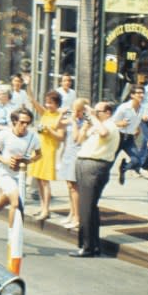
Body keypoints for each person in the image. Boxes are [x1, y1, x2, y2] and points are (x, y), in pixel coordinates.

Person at [71, 102, 121, 257]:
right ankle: (93, 244)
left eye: (98, 111)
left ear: (108, 112)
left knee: (86, 207)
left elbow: (104, 133)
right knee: (89, 207)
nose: (95, 113)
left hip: (94, 165)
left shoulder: (109, 125)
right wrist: (85, 124)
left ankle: (87, 246)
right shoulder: (97, 124)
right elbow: (78, 140)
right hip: (85, 163)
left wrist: (92, 116)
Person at [0, 107, 40, 233]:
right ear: (14, 121)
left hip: (21, 175)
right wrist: (5, 160)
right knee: (16, 202)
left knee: (5, 199)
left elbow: (39, 154)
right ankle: (13, 237)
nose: (25, 126)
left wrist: (28, 161)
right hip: (5, 173)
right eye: (22, 122)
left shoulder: (32, 138)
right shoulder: (5, 135)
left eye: (28, 123)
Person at [28, 90, 67, 221]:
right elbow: (33, 101)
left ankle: (46, 209)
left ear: (57, 104)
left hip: (49, 150)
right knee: (38, 179)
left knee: (45, 181)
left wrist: (49, 130)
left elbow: (61, 137)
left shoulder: (60, 117)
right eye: (47, 102)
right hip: (39, 148)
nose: (48, 105)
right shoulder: (45, 113)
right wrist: (28, 85)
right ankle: (42, 206)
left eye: (51, 103)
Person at [57, 98, 87, 230]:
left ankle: (77, 217)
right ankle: (72, 213)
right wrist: (61, 115)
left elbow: (76, 138)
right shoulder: (73, 119)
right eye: (75, 110)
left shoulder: (85, 122)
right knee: (69, 185)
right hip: (68, 154)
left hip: (77, 154)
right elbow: (57, 126)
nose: (76, 113)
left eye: (79, 110)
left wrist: (74, 122)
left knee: (75, 187)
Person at [113, 87, 147, 183]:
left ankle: (124, 168)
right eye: (138, 93)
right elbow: (112, 122)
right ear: (132, 95)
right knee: (109, 161)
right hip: (119, 136)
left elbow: (137, 120)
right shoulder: (124, 108)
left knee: (137, 160)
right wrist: (121, 123)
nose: (141, 95)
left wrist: (138, 128)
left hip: (130, 138)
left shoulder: (142, 108)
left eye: (143, 93)